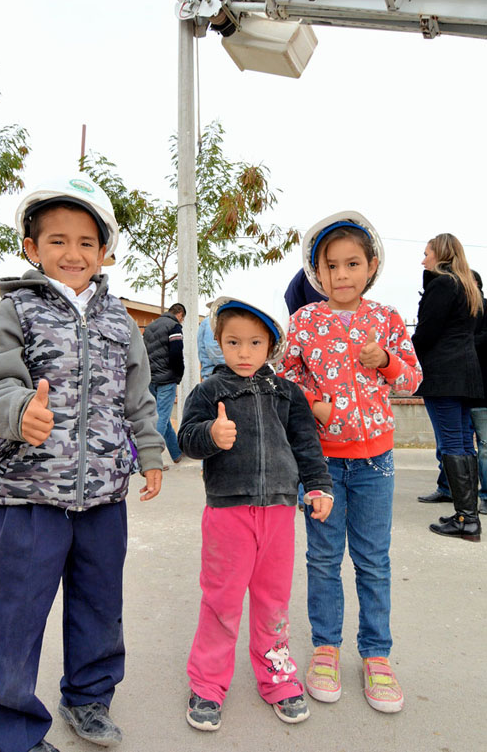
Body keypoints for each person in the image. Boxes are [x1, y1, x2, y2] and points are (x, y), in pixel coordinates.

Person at [0, 173, 164, 752]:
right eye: (56, 240)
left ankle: (87, 699)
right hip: (28, 498)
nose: (71, 253)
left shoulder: (121, 322)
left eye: (85, 242)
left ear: (104, 251)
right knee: (16, 619)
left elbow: (138, 398)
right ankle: (9, 734)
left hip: (104, 497)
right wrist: (20, 409)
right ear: (32, 248)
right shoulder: (15, 310)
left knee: (101, 607)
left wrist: (149, 451)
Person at [278, 210, 422, 714]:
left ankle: (377, 655)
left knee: (372, 560)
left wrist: (387, 362)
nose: (342, 274)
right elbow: (285, 380)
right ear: (317, 272)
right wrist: (311, 400)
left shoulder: (386, 320)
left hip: (376, 461)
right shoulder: (303, 322)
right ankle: (325, 648)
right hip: (321, 466)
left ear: (371, 265)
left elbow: (413, 381)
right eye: (331, 265)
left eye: (352, 264)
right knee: (322, 558)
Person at [178, 295, 333, 732]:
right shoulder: (209, 391)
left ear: (271, 346)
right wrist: (211, 434)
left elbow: (306, 445)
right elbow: (187, 440)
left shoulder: (288, 393)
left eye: (254, 343)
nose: (243, 353)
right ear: (218, 344)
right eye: (232, 342)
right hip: (228, 512)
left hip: (280, 512)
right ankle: (207, 686)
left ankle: (278, 678)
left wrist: (319, 486)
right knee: (221, 602)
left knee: (272, 602)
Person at [412, 234, 483, 541]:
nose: (423, 259)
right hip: (467, 375)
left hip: (444, 374)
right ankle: (466, 514)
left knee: (453, 443)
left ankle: (466, 519)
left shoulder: (442, 284)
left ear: (439, 254)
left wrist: (406, 356)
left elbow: (427, 332)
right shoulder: (469, 287)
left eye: (426, 253)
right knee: (465, 444)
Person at [143, 303, 186, 465]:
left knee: (163, 417)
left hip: (151, 378)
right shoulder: (174, 327)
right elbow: (176, 353)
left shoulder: (150, 327)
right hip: (167, 379)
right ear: (180, 314)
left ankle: (176, 454)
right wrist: (178, 374)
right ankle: (150, 459)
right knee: (161, 417)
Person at [470, 271, 487, 515]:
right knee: (454, 446)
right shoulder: (461, 312)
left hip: (481, 390)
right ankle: (448, 489)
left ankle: (485, 496)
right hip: (463, 390)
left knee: (484, 445)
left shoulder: (483, 309)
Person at [197, 308, 224, 379]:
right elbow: (213, 348)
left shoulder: (207, 322)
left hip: (212, 373)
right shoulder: (212, 322)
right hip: (216, 374)